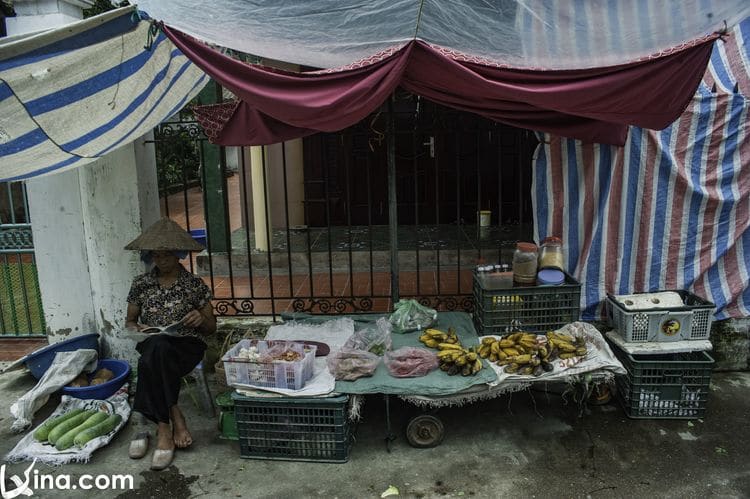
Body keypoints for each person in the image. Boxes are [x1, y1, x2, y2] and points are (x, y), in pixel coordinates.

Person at [123, 218, 216, 471]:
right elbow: (130, 322)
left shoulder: (194, 285)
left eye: (166, 255)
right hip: (154, 344)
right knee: (158, 346)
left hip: (187, 345)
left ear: (178, 256)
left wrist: (201, 318)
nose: (160, 260)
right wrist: (138, 328)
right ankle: (172, 419)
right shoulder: (141, 284)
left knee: (151, 359)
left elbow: (211, 328)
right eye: (156, 255)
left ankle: (153, 429)